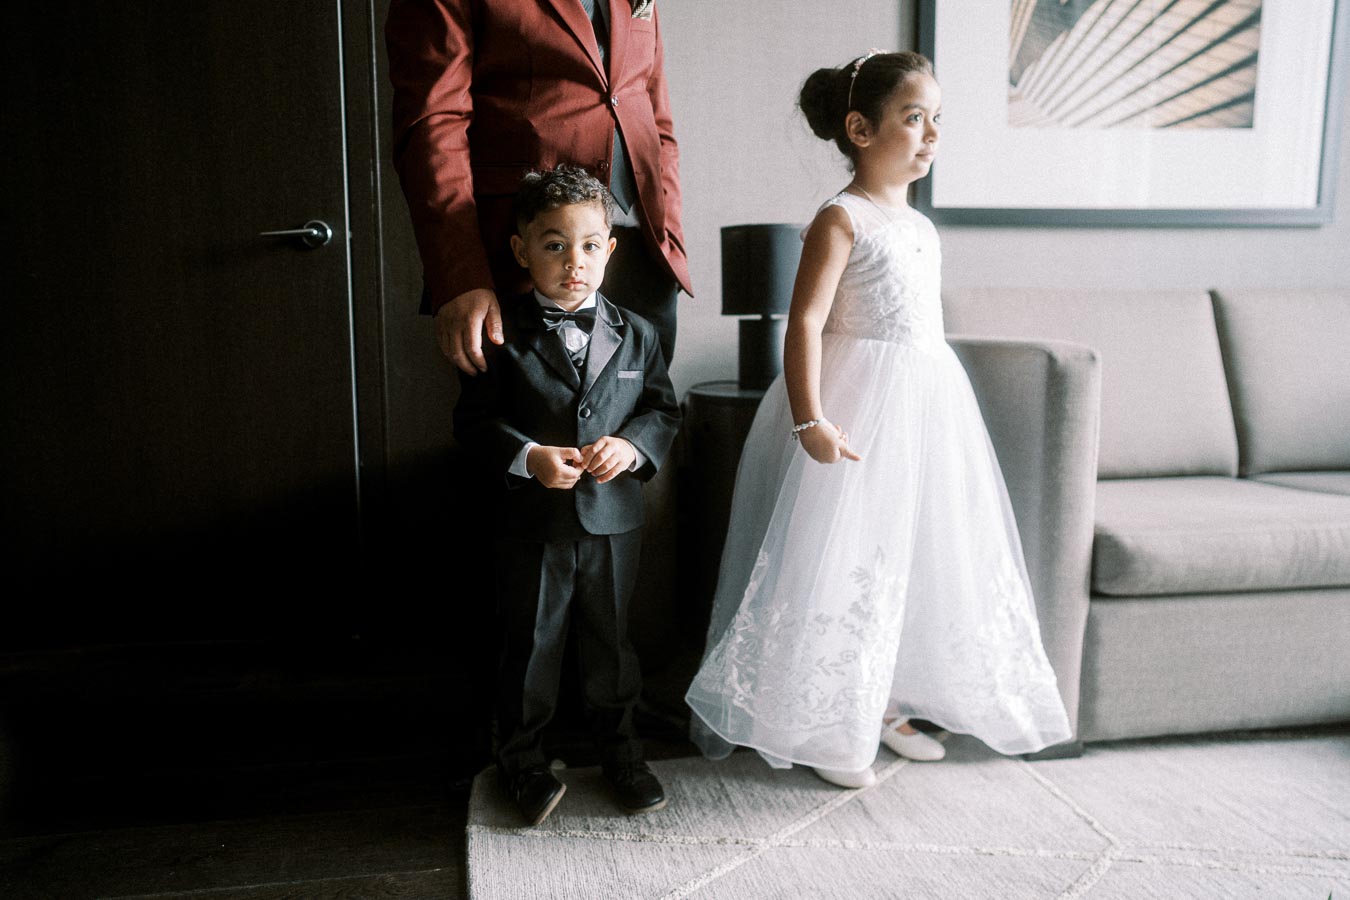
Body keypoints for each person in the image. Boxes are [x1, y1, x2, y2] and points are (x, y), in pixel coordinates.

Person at [684, 51, 1073, 788]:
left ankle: (884, 702)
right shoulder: (841, 218)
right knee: (847, 554)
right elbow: (805, 323)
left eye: (937, 119)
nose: (932, 135)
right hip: (857, 407)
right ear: (861, 129)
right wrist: (811, 421)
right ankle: (830, 722)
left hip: (928, 408)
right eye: (914, 118)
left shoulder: (921, 227)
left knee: (912, 553)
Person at [454, 165, 681, 825]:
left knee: (612, 644)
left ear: (609, 250)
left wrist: (631, 447)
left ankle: (622, 754)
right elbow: (474, 423)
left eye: (587, 246)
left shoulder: (638, 332)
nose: (573, 262)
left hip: (612, 520)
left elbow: (662, 411)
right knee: (531, 643)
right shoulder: (501, 332)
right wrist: (528, 458)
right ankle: (521, 761)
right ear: (522, 250)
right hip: (532, 524)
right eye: (554, 245)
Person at [385, 0, 692, 373]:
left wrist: (670, 235)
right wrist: (459, 274)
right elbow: (433, 125)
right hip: (522, 262)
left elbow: (655, 115)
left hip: (643, 258)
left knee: (648, 409)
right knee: (517, 411)